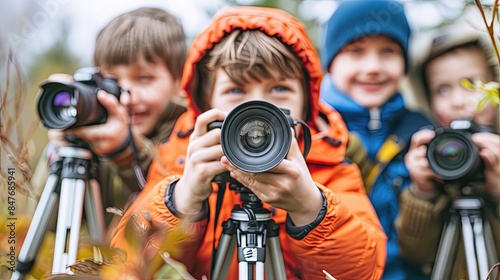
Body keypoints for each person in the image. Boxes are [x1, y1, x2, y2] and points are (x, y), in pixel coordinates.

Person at [110, 6, 387, 280]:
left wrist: (310, 207)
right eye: (236, 90)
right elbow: (128, 266)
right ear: (206, 106)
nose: (259, 107)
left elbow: (363, 271)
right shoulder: (180, 160)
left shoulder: (328, 165)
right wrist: (182, 199)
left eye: (279, 89)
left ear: (307, 103)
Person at [24, 7, 187, 278]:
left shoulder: (185, 133)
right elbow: (46, 222)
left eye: (144, 77)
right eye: (111, 80)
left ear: (180, 82)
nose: (126, 97)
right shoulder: (93, 134)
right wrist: (63, 148)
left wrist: (125, 152)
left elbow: (171, 208)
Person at [319, 1, 433, 279]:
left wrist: (425, 191)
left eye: (388, 52)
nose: (372, 67)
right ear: (330, 62)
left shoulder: (422, 133)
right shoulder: (313, 131)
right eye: (355, 51)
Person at [396, 22, 500, 279]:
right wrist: (422, 192)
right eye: (443, 89)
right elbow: (415, 254)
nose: (458, 100)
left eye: (473, 83)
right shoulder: (432, 159)